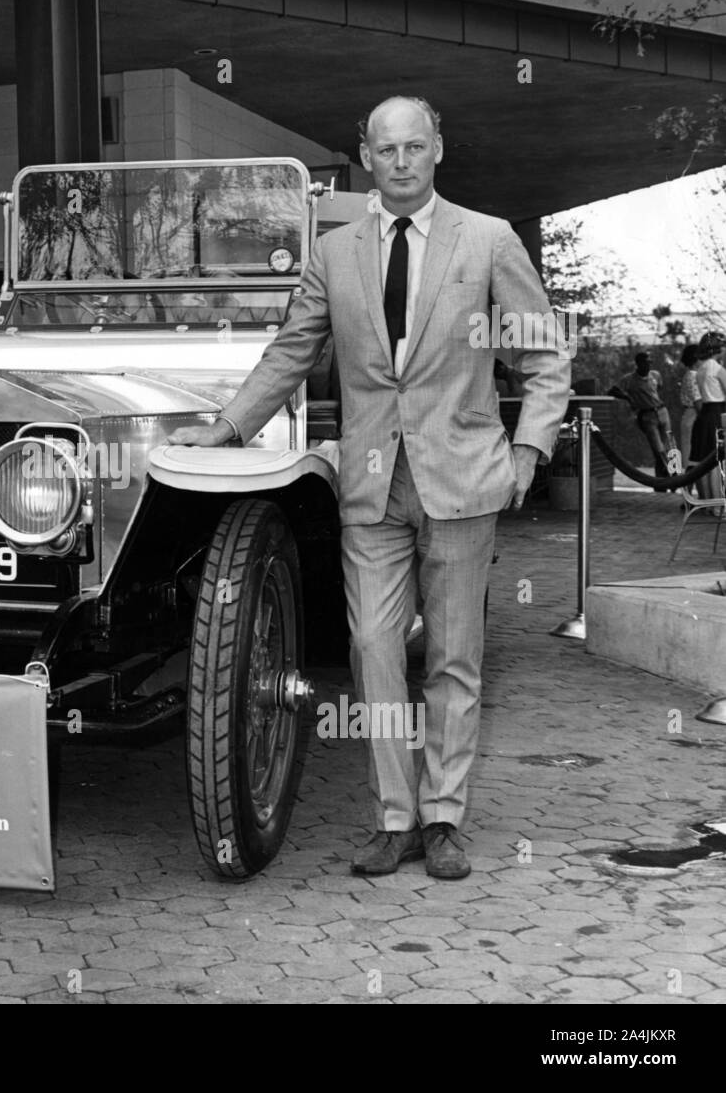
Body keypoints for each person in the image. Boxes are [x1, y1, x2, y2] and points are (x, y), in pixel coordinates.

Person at [168, 96, 570, 880]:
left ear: (439, 150)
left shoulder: (488, 241)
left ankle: (445, 817)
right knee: (373, 651)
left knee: (453, 658)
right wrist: (224, 431)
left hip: (463, 482)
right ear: (365, 154)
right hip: (372, 485)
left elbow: (545, 357)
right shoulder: (336, 251)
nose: (402, 161)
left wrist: (528, 451)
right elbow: (292, 353)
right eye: (387, 150)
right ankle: (395, 816)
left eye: (415, 147)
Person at [619, 351, 673, 481]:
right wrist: (629, 398)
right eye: (645, 363)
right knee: (658, 449)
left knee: (670, 445)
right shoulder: (629, 379)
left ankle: (666, 479)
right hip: (647, 415)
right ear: (638, 364)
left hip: (661, 411)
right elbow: (614, 390)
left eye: (650, 362)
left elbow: (658, 389)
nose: (648, 365)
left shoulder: (655, 375)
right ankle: (667, 478)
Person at [691, 332, 726, 504]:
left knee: (703, 461)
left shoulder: (701, 369)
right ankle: (719, 504)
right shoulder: (718, 369)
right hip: (718, 414)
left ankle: (708, 503)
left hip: (705, 414)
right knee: (717, 462)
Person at [676, 343, 701, 467]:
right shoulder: (692, 376)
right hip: (693, 416)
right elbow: (698, 402)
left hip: (692, 416)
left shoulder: (693, 374)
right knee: (692, 455)